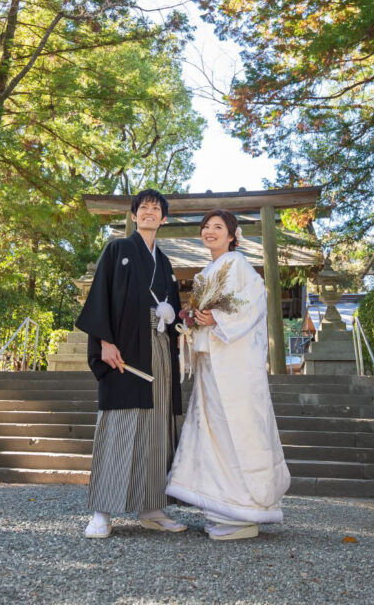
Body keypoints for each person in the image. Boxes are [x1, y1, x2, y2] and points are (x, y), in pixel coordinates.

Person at [166, 209, 290, 540]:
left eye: (218, 227)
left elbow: (252, 303)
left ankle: (244, 508)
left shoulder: (238, 265)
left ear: (233, 235)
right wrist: (193, 321)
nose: (210, 231)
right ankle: (221, 505)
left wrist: (216, 319)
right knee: (212, 431)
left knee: (237, 428)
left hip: (233, 363)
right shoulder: (208, 270)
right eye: (206, 226)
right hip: (212, 361)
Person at [75, 188, 186, 538]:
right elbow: (100, 296)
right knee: (118, 428)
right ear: (135, 215)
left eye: (157, 209)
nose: (150, 213)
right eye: (144, 208)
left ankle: (151, 506)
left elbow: (173, 309)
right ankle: (101, 512)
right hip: (124, 353)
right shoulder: (119, 250)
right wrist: (104, 342)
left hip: (158, 354)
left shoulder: (165, 263)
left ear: (164, 218)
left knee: (156, 432)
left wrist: (174, 316)